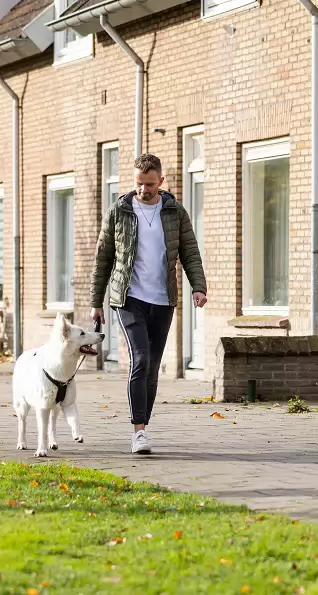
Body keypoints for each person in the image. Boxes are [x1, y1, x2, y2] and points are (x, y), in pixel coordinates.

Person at [91, 153, 207, 455]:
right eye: (139, 184)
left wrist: (198, 287)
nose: (144, 190)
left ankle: (145, 425)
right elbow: (103, 257)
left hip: (163, 298)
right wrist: (96, 302)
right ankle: (138, 431)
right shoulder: (119, 211)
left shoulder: (175, 212)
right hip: (128, 297)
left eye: (150, 185)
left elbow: (190, 252)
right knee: (140, 359)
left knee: (153, 367)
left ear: (161, 182)